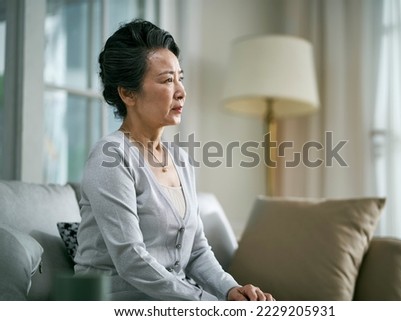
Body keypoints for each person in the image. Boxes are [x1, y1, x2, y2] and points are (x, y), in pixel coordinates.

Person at [74, 19, 274, 301]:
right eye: (167, 80)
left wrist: (231, 291)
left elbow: (196, 251)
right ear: (127, 93)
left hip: (176, 302)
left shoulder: (180, 159)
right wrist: (205, 303)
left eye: (180, 77)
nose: (181, 91)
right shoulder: (110, 157)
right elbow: (131, 259)